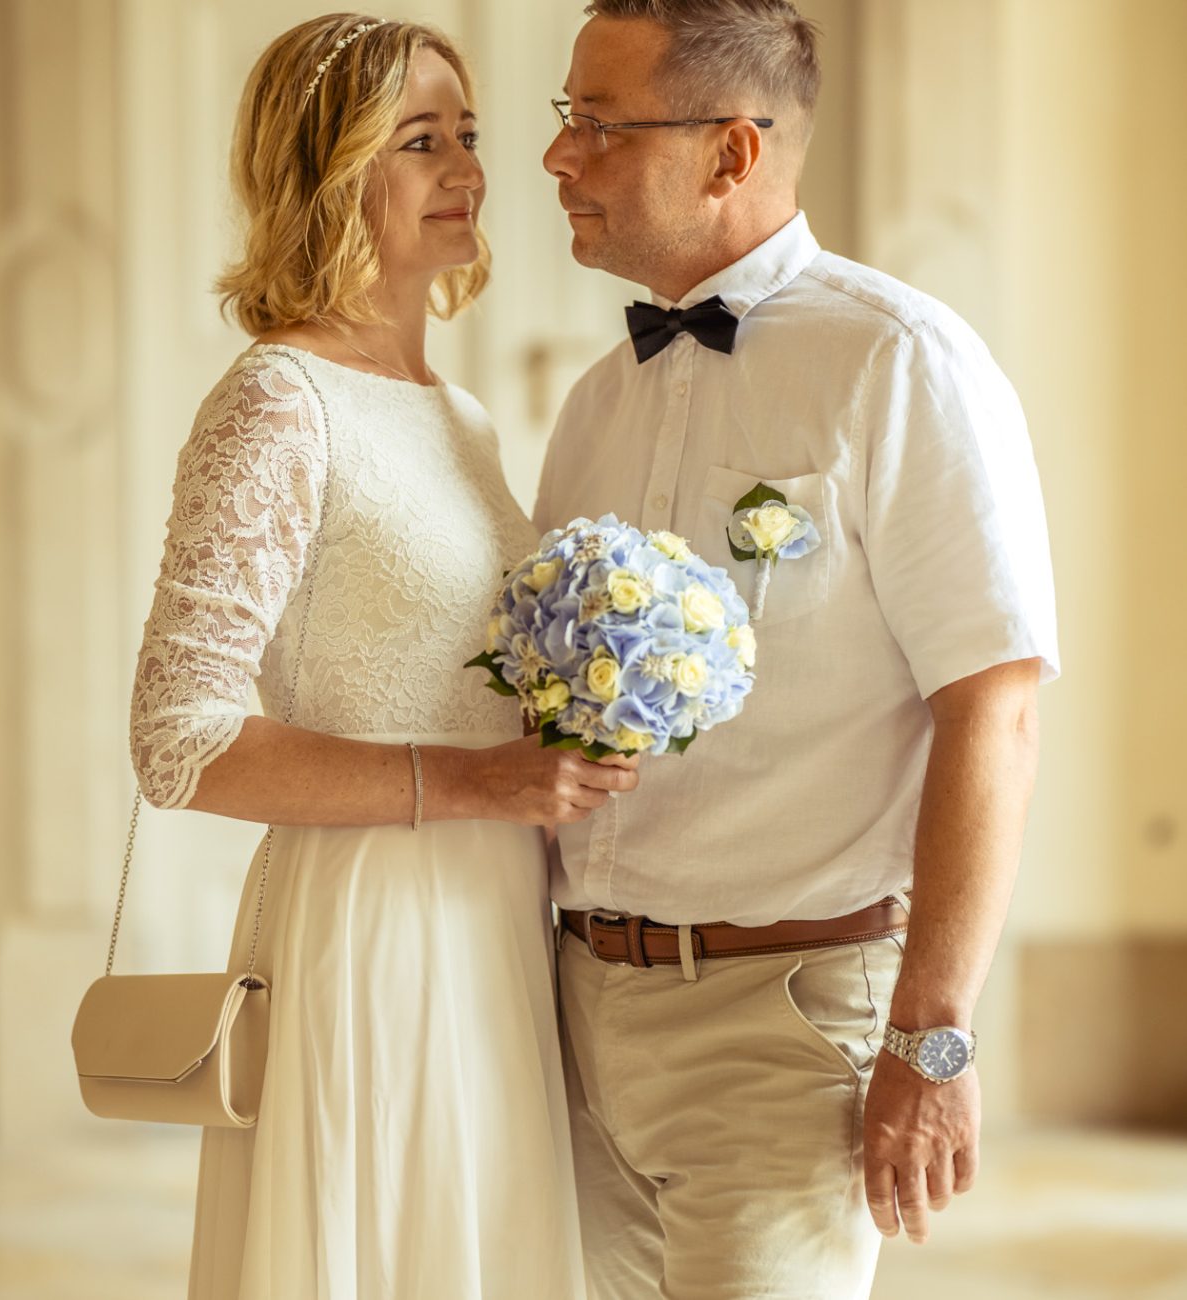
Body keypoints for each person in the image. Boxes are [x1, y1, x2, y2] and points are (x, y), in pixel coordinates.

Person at [535, 2, 1060, 1297]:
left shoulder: (901, 365)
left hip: (783, 1024)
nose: (560, 160)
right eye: (566, 122)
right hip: (571, 1017)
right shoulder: (597, 401)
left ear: (731, 152)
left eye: (599, 125)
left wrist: (932, 1042)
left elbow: (994, 705)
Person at [128, 14, 639, 1298]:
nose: (470, 167)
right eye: (421, 142)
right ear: (327, 171)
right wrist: (476, 785)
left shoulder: (457, 414)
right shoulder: (278, 402)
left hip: (498, 922)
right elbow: (176, 738)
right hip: (370, 929)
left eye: (467, 134)